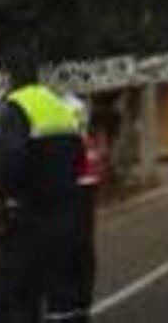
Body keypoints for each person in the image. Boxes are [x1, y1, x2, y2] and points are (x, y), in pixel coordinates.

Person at [0, 50, 87, 323]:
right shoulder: (59, 106)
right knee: (64, 299)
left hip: (28, 217)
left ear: (8, 80)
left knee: (8, 296)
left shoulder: (14, 108)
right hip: (68, 215)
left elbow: (8, 161)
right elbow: (79, 157)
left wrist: (3, 197)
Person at [63, 94, 103, 320]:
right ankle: (79, 305)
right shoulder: (76, 104)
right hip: (84, 182)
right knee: (82, 248)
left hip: (74, 184)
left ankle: (73, 305)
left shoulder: (66, 104)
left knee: (73, 248)